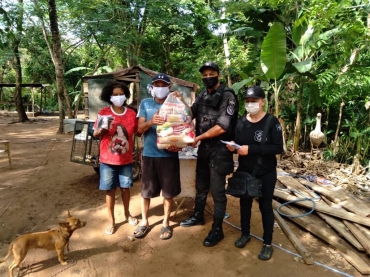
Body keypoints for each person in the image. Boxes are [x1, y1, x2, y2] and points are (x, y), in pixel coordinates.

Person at [180, 61, 238, 247]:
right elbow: (190, 114)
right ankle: (198, 216)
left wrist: (198, 138)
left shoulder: (228, 96)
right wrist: (179, 102)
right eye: (204, 75)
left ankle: (218, 229)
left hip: (220, 150)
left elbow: (222, 127)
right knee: (201, 186)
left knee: (218, 191)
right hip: (204, 148)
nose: (207, 78)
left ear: (218, 75)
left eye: (211, 74)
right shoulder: (203, 95)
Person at [226, 86, 283, 260]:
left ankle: (267, 243)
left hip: (266, 172)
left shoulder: (271, 122)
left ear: (263, 101)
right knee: (245, 204)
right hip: (245, 170)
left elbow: (277, 148)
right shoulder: (241, 122)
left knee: (265, 206)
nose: (250, 104)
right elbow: (238, 143)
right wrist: (233, 147)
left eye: (254, 101)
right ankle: (245, 233)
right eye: (248, 101)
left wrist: (251, 149)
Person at [133, 73, 184, 240]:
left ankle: (165, 224)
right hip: (149, 154)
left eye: (164, 85)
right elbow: (139, 129)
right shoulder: (146, 104)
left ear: (169, 88)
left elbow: (188, 119)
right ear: (152, 87)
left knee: (168, 193)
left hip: (169, 154)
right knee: (146, 192)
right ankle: (144, 222)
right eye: (157, 85)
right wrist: (151, 122)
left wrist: (182, 101)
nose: (160, 88)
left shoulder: (175, 103)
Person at [93, 81, 139, 235]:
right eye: (115, 94)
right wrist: (101, 130)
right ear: (109, 96)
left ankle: (127, 214)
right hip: (107, 160)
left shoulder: (132, 113)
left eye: (121, 94)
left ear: (126, 95)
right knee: (110, 190)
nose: (118, 97)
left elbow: (138, 132)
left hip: (126, 159)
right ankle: (111, 220)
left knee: (125, 188)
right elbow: (95, 133)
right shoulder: (104, 112)